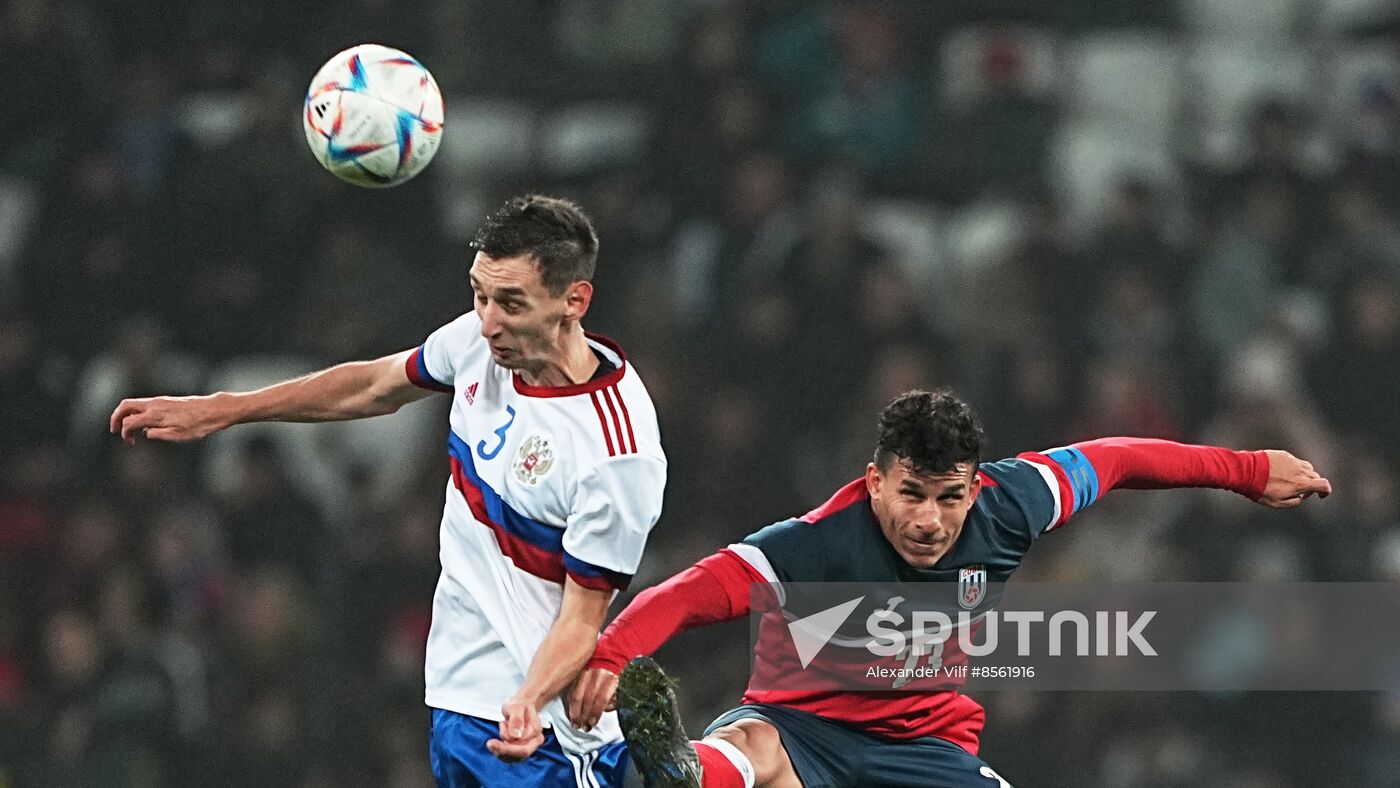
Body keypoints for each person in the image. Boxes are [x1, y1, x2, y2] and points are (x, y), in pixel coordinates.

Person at [109, 195, 667, 787]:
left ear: (574, 300)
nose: (487, 321)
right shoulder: (481, 342)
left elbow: (583, 621)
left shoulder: (616, 452)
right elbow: (373, 386)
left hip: (543, 733)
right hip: (460, 699)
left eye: (510, 303)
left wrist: (528, 699)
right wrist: (227, 409)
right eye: (478, 295)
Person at [567, 389, 1331, 788]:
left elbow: (1119, 457)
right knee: (754, 751)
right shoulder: (822, 541)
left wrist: (1250, 471)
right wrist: (614, 651)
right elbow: (700, 588)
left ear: (974, 485)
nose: (930, 521)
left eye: (949, 496)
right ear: (875, 481)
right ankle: (685, 774)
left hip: (926, 744)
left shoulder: (1013, 502)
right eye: (911, 495)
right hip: (804, 730)